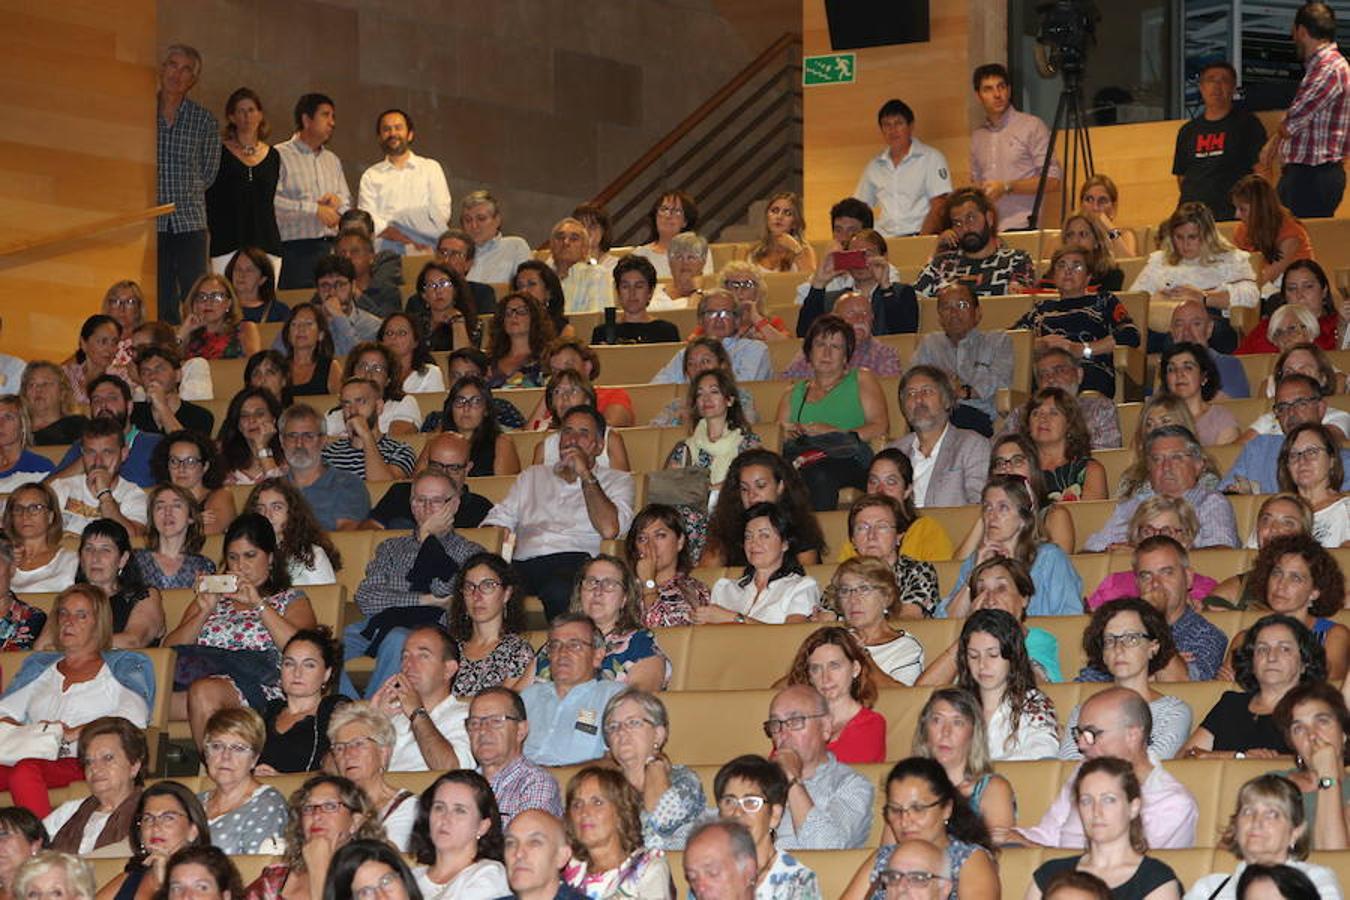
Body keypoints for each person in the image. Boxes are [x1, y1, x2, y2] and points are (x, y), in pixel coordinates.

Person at [165, 513, 316, 748]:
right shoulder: (212, 600)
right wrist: (205, 611)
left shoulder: (290, 600)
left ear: (271, 558)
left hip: (262, 685)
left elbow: (302, 650)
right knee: (140, 700)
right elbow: (168, 654)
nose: (240, 566)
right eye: (233, 557)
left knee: (203, 693)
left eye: (250, 555)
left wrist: (258, 604)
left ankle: (217, 772)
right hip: (203, 682)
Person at [0, 582, 150, 816]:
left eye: (81, 616)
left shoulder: (120, 667)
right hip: (32, 753)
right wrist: (34, 732)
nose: (69, 622)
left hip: (84, 760)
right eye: (63, 613)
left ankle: (43, 850)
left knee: (25, 772)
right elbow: (3, 713)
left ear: (98, 623)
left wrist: (74, 732)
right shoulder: (41, 667)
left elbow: (134, 718)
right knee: (24, 767)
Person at [483, 406, 635, 621]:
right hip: (524, 561)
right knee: (484, 588)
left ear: (599, 446)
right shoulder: (532, 476)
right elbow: (498, 519)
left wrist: (585, 474)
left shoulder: (618, 480)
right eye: (567, 431)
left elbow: (610, 529)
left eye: (583, 433)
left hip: (574, 560)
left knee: (559, 590)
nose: (572, 439)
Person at [343, 468, 484, 697]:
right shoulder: (390, 547)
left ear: (455, 504)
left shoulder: (470, 553)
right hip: (376, 624)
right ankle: (347, 708)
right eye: (420, 500)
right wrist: (424, 599)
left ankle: (372, 719)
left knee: (400, 639)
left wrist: (428, 541)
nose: (427, 508)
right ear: (411, 504)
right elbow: (367, 598)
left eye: (437, 501)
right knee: (320, 648)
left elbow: (447, 593)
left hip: (433, 629)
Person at [1017, 688, 1199, 850]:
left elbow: (1137, 873)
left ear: (1132, 735)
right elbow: (1048, 834)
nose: (1081, 745)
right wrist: (1013, 838)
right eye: (1078, 734)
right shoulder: (1085, 771)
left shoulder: (1172, 804)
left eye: (1091, 734)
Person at [839, 757, 997, 900]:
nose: (905, 821)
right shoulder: (884, 857)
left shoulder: (969, 859)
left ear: (947, 809)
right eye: (895, 810)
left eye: (918, 809)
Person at [1028, 757, 1183, 899]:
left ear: (1133, 807)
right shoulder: (1049, 874)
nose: (1096, 812)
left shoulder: (1155, 879)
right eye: (1086, 801)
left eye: (1109, 800)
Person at [777, 314, 889, 510]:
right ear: (809, 352)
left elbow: (880, 426)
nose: (827, 353)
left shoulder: (861, 379)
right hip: (803, 459)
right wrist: (787, 433)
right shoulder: (792, 394)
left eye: (835, 347)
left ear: (846, 356)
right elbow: (776, 440)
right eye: (820, 345)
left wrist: (834, 433)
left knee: (818, 475)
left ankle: (816, 538)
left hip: (849, 458)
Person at [1061, 598, 1192, 759]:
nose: (1118, 649)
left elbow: (1151, 763)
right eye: (1110, 640)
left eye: (1131, 638)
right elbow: (1070, 765)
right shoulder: (1084, 711)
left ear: (1153, 646)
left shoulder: (1172, 712)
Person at [1180, 614, 1324, 759]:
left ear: (1305, 662)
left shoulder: (1316, 709)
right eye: (1262, 649)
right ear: (1252, 662)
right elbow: (1186, 757)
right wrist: (1240, 757)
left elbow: (1326, 759)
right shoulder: (1231, 704)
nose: (1271, 657)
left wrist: (1266, 761)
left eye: (1284, 649)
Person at [1186, 773, 1345, 899]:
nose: (1256, 821)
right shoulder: (1209, 889)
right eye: (1248, 811)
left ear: (1295, 832)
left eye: (1272, 814)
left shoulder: (1316, 880)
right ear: (1235, 827)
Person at [941, 476, 1082, 618]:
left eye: (1003, 507)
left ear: (1023, 518)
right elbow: (948, 623)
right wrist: (973, 576)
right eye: (987, 507)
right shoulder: (976, 559)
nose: (992, 515)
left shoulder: (1049, 558)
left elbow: (1069, 618)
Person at [1128, 202, 1258, 353]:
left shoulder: (1230, 258)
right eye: (1179, 237)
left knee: (1182, 338)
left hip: (1211, 321)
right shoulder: (1160, 261)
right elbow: (1134, 301)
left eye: (1192, 237)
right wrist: (1158, 297)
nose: (1185, 244)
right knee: (1136, 337)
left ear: (1207, 235)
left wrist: (1202, 297)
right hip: (1165, 322)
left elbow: (1251, 296)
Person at [1259, 2, 1350, 218]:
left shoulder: (1328, 67)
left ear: (1301, 31)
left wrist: (1271, 144)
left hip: (1313, 174)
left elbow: (1294, 120)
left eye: (1294, 32)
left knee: (1297, 242)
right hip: (1310, 174)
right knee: (1292, 241)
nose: (1293, 39)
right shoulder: (1326, 67)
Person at [1013, 246, 1141, 398]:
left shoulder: (1103, 301)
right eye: (1061, 265)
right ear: (1053, 276)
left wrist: (1082, 349)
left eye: (1077, 266)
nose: (1068, 271)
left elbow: (1131, 334)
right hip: (1046, 372)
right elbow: (1011, 340)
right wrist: (1040, 344)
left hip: (1088, 369)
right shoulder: (1040, 309)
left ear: (1088, 277)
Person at [1085, 425, 1239, 551]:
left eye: (1176, 457)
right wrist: (1112, 553)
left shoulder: (1211, 503)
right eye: (1157, 459)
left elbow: (1221, 555)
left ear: (1198, 465)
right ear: (1148, 468)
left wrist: (1143, 554)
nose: (1166, 467)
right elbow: (1089, 555)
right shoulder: (1130, 506)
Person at [761, 684, 874, 850]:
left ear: (826, 727)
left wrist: (792, 781)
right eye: (775, 724)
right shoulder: (757, 781)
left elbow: (828, 849)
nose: (782, 734)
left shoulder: (852, 785)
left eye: (795, 721)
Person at [919, 555, 1063, 684]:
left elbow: (1037, 688)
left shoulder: (1038, 639)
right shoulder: (965, 643)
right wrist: (970, 632)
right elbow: (921, 694)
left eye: (1001, 589)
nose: (989, 599)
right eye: (981, 591)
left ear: (1024, 598)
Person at [1224, 534, 1349, 680]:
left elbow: (1327, 686)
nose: (1281, 585)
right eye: (1277, 573)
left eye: (1295, 578)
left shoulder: (1333, 635)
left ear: (1314, 592)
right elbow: (1225, 688)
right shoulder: (1244, 639)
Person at [538, 556, 668, 692]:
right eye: (591, 582)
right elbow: (516, 701)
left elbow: (638, 701)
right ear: (580, 593)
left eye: (609, 584)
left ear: (624, 598)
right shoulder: (555, 643)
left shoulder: (640, 644)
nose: (597, 591)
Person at [156, 45, 220, 322]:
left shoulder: (204, 120)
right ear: (162, 69)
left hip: (190, 221)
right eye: (172, 65)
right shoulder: (139, 111)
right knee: (159, 293)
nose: (177, 74)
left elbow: (208, 172)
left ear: (193, 79)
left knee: (196, 294)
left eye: (186, 70)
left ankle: (197, 350)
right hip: (151, 221)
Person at [242, 774, 384, 900]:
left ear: (355, 822)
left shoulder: (373, 877)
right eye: (308, 808)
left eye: (330, 806)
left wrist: (320, 868)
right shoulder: (274, 880)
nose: (316, 815)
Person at [595, 689, 703, 853]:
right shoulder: (602, 789)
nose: (621, 731)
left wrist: (655, 768)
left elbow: (663, 821)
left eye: (633, 723)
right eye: (613, 726)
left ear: (658, 735)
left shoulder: (684, 780)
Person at [1113, 536, 1229, 681]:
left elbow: (1180, 686)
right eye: (1146, 576)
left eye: (1166, 573)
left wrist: (1154, 619)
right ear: (1137, 584)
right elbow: (1088, 684)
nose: (1155, 584)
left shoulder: (1207, 635)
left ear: (1188, 578)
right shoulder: (1118, 630)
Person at [911, 688, 1017, 842]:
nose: (945, 732)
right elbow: (886, 855)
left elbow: (1000, 854)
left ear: (973, 734)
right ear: (925, 731)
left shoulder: (992, 788)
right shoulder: (907, 789)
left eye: (957, 722)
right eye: (937, 720)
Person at [708, 756, 821, 899]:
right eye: (729, 801)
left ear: (774, 815)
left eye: (751, 802)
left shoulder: (798, 881)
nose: (737, 812)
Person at [953, 609, 1058, 761]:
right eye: (973, 656)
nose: (982, 665)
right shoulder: (955, 705)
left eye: (993, 655)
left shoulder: (1033, 703)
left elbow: (1045, 750)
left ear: (1012, 655)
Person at [910, 283, 1012, 437]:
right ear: (939, 317)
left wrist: (962, 392)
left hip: (974, 416)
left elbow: (1000, 380)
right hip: (932, 414)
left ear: (977, 312)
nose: (953, 312)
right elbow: (914, 381)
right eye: (946, 307)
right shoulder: (929, 343)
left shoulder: (997, 341)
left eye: (962, 305)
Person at [1222, 374, 1350, 494]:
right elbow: (1225, 495)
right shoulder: (1258, 449)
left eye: (1301, 404)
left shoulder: (1344, 460)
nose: (1291, 413)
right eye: (1283, 407)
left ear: (1321, 408)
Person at [969, 62, 1060, 230]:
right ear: (978, 96)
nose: (997, 94)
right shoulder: (977, 137)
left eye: (1001, 87)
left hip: (1024, 226)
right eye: (988, 89)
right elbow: (976, 185)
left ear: (1009, 90)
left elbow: (1053, 181)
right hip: (988, 231)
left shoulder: (1032, 126)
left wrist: (1007, 187)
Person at [559, 766, 674, 898]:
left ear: (621, 812)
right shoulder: (565, 868)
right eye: (577, 805)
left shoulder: (649, 868)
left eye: (597, 802)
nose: (584, 813)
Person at [1173, 61, 1268, 220]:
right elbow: (1181, 177)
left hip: (1232, 215)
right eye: (1211, 80)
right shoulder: (1187, 131)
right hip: (1192, 219)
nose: (1217, 86)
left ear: (1233, 88)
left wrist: (1257, 211)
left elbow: (1261, 170)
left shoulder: (1248, 124)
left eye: (1224, 80)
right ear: (1201, 88)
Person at [274, 93, 350, 290]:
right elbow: (271, 202)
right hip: (295, 250)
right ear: (306, 120)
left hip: (330, 248)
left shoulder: (332, 160)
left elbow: (348, 201)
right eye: (326, 115)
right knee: (299, 310)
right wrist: (314, 210)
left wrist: (337, 202)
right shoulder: (279, 155)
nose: (332, 122)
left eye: (333, 116)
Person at [43, 717, 148, 854]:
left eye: (107, 758)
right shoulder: (69, 812)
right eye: (89, 761)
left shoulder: (148, 815)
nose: (95, 768)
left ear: (134, 766)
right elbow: (32, 846)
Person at [323, 703, 420, 851]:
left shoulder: (407, 807)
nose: (348, 754)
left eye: (358, 744)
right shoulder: (324, 805)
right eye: (340, 748)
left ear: (384, 753)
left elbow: (387, 858)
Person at [704, 503, 821, 625]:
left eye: (764, 535)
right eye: (748, 537)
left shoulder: (800, 587)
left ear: (785, 543)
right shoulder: (725, 589)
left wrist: (735, 618)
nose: (754, 543)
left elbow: (793, 636)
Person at [890, 366, 990, 508]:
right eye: (910, 394)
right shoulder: (894, 452)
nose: (918, 399)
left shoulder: (972, 445)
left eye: (927, 391)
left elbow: (980, 507)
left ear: (947, 400)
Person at [208, 88, 283, 276]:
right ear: (231, 117)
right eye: (240, 111)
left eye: (251, 110)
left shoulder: (273, 156)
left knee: (266, 299)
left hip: (266, 241)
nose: (246, 116)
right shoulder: (218, 152)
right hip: (228, 241)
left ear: (260, 115)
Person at [784, 627, 886, 764]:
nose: (825, 678)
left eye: (834, 666)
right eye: (816, 669)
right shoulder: (797, 722)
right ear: (809, 676)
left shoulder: (872, 724)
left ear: (855, 669)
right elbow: (774, 775)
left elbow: (846, 777)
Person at [357, 108, 451, 254]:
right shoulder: (370, 176)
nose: (393, 133)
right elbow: (367, 218)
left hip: (425, 249)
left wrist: (415, 236)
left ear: (410, 134)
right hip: (385, 253)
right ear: (379, 137)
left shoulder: (430, 168)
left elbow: (441, 211)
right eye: (386, 129)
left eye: (398, 128)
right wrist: (399, 235)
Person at [95, 782, 211, 900]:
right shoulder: (128, 879)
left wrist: (164, 886)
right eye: (148, 818)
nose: (155, 826)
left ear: (193, 831)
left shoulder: (209, 880)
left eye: (168, 818)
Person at [854, 98, 951, 237]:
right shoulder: (874, 166)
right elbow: (859, 209)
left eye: (898, 123)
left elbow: (940, 205)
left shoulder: (931, 158)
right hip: (885, 242)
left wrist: (920, 241)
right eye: (886, 125)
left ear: (911, 126)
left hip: (921, 236)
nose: (892, 130)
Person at [256, 629, 347, 775]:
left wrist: (285, 782)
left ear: (327, 674)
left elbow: (343, 767)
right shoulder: (266, 711)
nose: (297, 673)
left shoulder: (335, 710)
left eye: (309, 665)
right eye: (289, 664)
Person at [912, 188, 1036, 296]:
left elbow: (1020, 304)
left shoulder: (1016, 260)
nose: (965, 228)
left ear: (989, 219)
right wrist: (937, 251)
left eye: (971, 218)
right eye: (957, 223)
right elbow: (916, 300)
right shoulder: (942, 263)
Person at [407, 771, 510, 900]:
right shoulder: (410, 878)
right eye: (439, 807)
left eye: (459, 810)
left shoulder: (489, 875)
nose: (445, 818)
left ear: (482, 826)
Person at [468, 687, 564, 825]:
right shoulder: (462, 784)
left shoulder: (536, 783)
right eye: (475, 723)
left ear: (521, 730)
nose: (482, 730)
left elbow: (526, 843)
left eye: (496, 721)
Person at [365, 432, 495, 531]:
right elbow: (369, 533)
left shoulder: (480, 508)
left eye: (453, 468)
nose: (444, 474)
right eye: (437, 466)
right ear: (427, 464)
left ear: (467, 469)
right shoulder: (400, 494)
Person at [1274, 682, 1350, 852]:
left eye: (1322, 721)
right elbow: (1228, 854)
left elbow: (1336, 862)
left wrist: (1327, 774)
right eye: (1299, 728)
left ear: (1343, 733)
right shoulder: (1274, 785)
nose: (1312, 735)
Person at [1002, 346, 1124, 451]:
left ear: (1079, 374)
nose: (1051, 378)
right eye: (1043, 375)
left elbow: (1104, 457)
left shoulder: (1100, 409)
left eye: (1059, 371)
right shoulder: (1020, 414)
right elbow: (1000, 453)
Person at [798, 231, 916, 339]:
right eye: (853, 256)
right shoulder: (834, 299)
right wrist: (819, 283)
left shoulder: (901, 293)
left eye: (867, 254)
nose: (861, 263)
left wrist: (885, 287)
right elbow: (806, 334)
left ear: (883, 257)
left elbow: (904, 335)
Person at [842, 494, 940, 617]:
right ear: (853, 540)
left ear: (898, 536)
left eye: (882, 527)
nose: (871, 535)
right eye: (862, 528)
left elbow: (909, 618)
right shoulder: (844, 576)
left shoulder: (918, 572)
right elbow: (826, 620)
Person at [1211, 494, 1315, 607]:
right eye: (1266, 520)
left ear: (1305, 535)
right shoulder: (1235, 590)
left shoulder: (1319, 586)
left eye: (1287, 523)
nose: (1273, 528)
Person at [650, 290, 772, 386]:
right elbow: (658, 388)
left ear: (737, 320)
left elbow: (743, 390)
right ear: (700, 321)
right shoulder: (687, 354)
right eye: (711, 313)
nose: (718, 319)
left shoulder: (755, 350)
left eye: (725, 313)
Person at [48, 418, 147, 537]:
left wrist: (104, 495)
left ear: (124, 454)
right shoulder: (60, 488)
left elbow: (133, 539)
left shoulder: (134, 495)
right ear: (82, 453)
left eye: (107, 452)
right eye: (91, 452)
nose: (98, 462)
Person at [279, 404, 371, 531]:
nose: (299, 444)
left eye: (308, 436)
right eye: (292, 436)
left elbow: (347, 538)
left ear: (323, 440)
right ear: (281, 441)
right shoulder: (273, 488)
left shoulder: (348, 484)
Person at [623, 505, 711, 629]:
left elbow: (662, 632)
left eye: (660, 536)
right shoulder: (623, 588)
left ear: (679, 542)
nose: (650, 546)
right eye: (642, 539)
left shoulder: (692, 589)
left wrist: (648, 583)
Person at [1231, 174, 1315, 298]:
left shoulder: (1291, 232)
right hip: (1262, 284)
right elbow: (1238, 269)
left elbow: (1270, 275)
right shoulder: (1241, 230)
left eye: (1242, 209)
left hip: (1293, 288)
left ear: (1259, 208)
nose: (1236, 215)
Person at [526, 372, 630, 472]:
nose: (564, 397)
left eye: (573, 391)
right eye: (557, 391)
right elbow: (535, 487)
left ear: (587, 400)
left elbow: (621, 485)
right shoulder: (543, 449)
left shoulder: (610, 439)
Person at [247, 477, 340, 585]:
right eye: (260, 509)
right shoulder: (242, 554)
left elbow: (325, 599)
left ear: (292, 512)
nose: (267, 515)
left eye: (277, 507)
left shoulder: (313, 555)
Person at [1021, 387, 1107, 501]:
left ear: (1069, 424)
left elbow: (1090, 517)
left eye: (1053, 413)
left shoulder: (1090, 471)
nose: (1042, 418)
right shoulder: (1018, 470)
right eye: (1036, 413)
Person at [321, 378, 416, 481]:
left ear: (379, 406)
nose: (352, 410)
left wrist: (366, 436)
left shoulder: (400, 451)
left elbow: (382, 488)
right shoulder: (329, 453)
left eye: (360, 401)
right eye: (346, 404)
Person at [1275, 422, 1350, 548]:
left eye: (1312, 452)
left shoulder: (1346, 509)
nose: (1302, 461)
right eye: (1293, 455)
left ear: (1332, 460)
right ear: (1287, 466)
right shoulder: (1276, 511)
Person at [1155, 299, 1252, 396]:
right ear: (1171, 331)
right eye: (1179, 325)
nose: (1187, 333)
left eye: (1196, 324)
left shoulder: (1228, 364)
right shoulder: (1166, 368)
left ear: (1209, 329)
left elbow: (1235, 406)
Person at [1243, 260, 1341, 354]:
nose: (1300, 295)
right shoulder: (1266, 328)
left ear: (1324, 291)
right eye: (1292, 288)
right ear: (1285, 295)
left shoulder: (1339, 324)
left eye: (1308, 286)